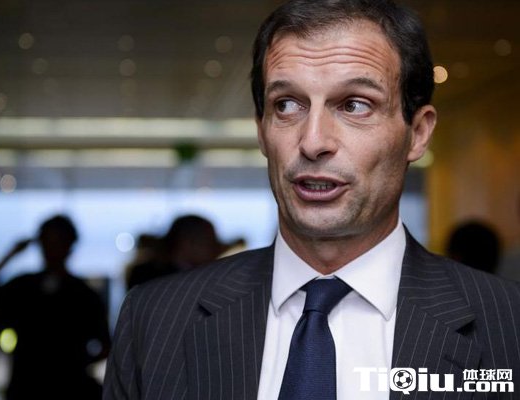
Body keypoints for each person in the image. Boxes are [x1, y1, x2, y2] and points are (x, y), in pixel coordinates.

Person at [103, 1, 520, 399]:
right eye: (287, 105)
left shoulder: (508, 322)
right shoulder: (155, 320)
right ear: (262, 130)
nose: (313, 141)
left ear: (418, 133)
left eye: (354, 105)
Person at [0, 215, 111, 400]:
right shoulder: (27, 286)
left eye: (57, 242)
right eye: (48, 242)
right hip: (47, 387)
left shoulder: (81, 294)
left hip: (40, 386)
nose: (52, 249)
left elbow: (106, 346)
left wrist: (11, 255)